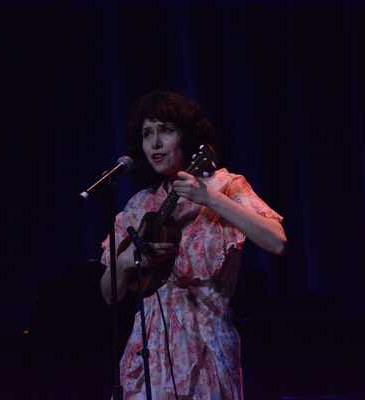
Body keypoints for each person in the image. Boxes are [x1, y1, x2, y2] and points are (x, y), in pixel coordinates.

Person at [100, 91, 287, 400]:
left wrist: (210, 199)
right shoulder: (139, 206)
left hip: (207, 347)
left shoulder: (225, 186)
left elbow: (277, 241)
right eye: (147, 134)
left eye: (166, 131)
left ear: (185, 136)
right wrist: (122, 263)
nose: (155, 143)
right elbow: (110, 295)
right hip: (148, 351)